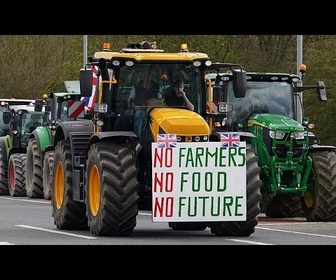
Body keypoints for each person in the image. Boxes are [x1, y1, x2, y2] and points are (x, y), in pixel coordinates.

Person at [128, 71, 160, 138]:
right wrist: (135, 106)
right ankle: (138, 138)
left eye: (148, 76)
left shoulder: (157, 87)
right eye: (145, 76)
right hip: (140, 109)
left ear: (151, 77)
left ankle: (154, 138)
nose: (146, 78)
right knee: (138, 114)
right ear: (142, 77)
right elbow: (130, 100)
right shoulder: (136, 86)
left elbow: (161, 100)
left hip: (153, 111)